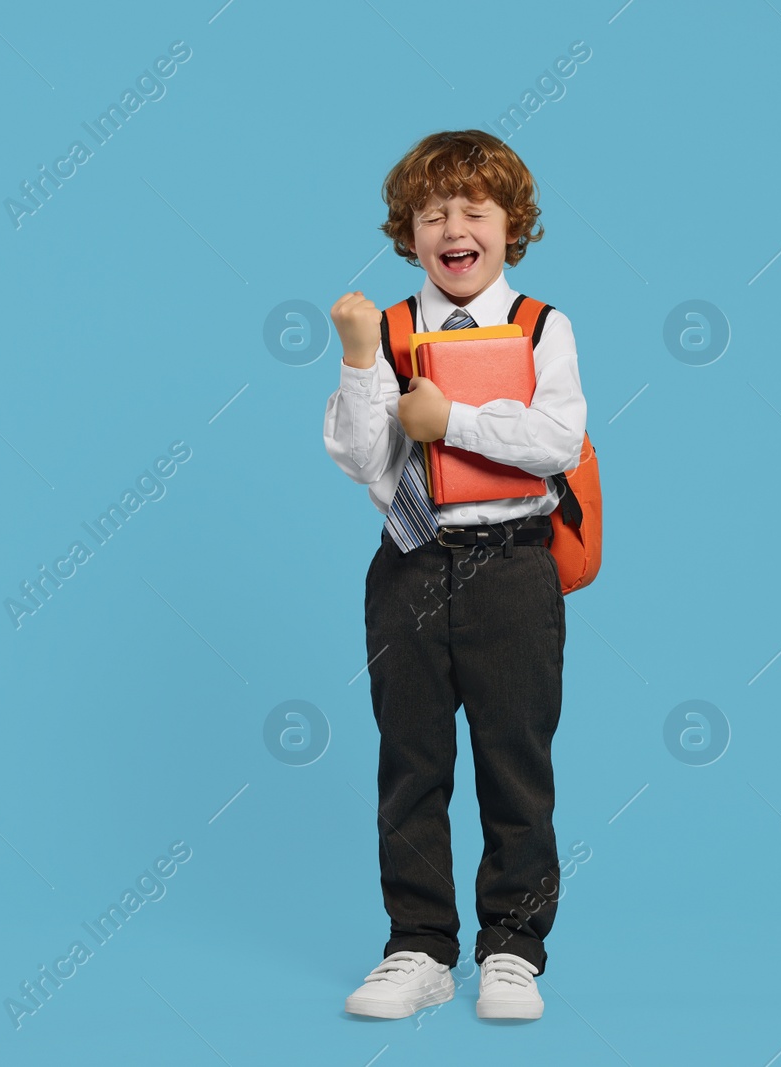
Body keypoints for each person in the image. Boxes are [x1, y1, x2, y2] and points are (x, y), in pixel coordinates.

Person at [321, 129, 587, 1021]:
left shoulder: (546, 326)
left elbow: (556, 441)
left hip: (513, 565)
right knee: (413, 760)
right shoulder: (388, 327)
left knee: (516, 757)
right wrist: (362, 360)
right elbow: (363, 458)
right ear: (408, 232)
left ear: (513, 226)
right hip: (410, 564)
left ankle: (513, 948)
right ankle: (419, 947)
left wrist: (453, 419)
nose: (453, 227)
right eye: (433, 213)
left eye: (475, 209)